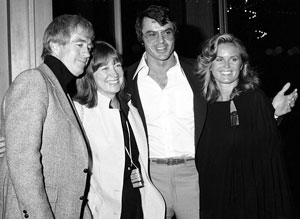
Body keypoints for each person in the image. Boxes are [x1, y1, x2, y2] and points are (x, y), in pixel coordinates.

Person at [125, 5, 298, 219]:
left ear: (175, 34)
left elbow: (236, 107)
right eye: (151, 34)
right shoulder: (126, 80)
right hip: (151, 176)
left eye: (166, 33)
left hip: (195, 176)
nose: (160, 42)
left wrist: (272, 111)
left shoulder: (196, 73)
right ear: (141, 37)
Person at [0, 14, 94, 218]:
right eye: (79, 44)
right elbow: (23, 164)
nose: (87, 52)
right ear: (54, 45)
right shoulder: (34, 81)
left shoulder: (60, 90)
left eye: (89, 45)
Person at [195, 33, 298, 218]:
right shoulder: (200, 105)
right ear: (209, 64)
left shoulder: (255, 99)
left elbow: (268, 156)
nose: (226, 66)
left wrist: (271, 114)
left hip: (248, 201)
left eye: (233, 59)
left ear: (242, 65)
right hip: (212, 198)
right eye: (219, 59)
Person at [72, 41, 165, 219]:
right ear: (90, 75)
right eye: (104, 68)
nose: (114, 73)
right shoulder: (80, 112)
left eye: (117, 65)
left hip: (138, 203)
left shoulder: (131, 109)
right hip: (102, 209)